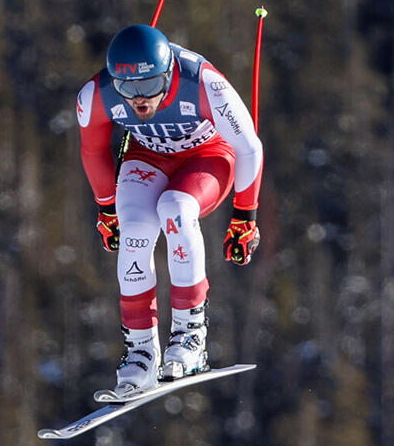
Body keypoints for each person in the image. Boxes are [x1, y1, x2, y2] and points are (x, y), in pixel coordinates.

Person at [76, 24, 263, 396]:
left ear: (168, 73)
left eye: (148, 87)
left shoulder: (204, 84)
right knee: (135, 229)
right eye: (127, 89)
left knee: (175, 209)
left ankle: (190, 338)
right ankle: (141, 353)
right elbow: (93, 150)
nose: (138, 100)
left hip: (209, 156)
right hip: (148, 155)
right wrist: (105, 209)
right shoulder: (96, 94)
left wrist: (245, 216)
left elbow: (249, 148)